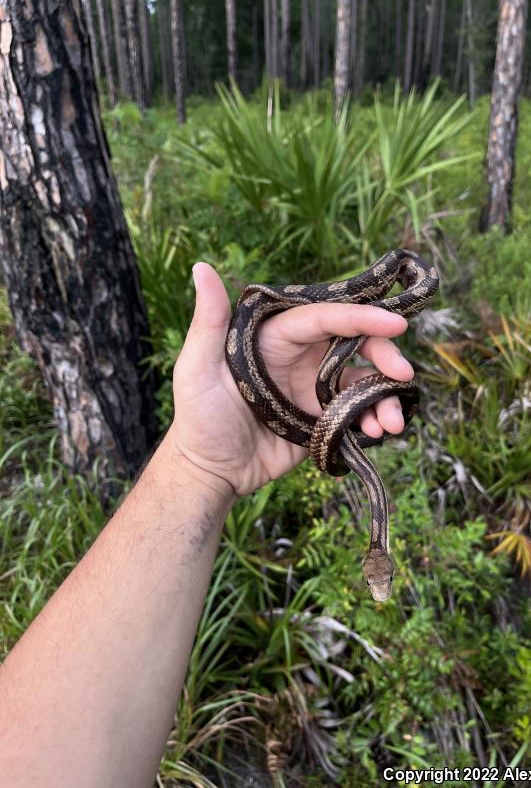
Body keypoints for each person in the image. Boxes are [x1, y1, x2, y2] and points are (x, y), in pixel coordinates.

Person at [0, 262, 414, 787]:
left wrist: (201, 470)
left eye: (378, 578)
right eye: (381, 577)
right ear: (379, 559)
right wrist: (204, 460)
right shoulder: (272, 346)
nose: (379, 583)